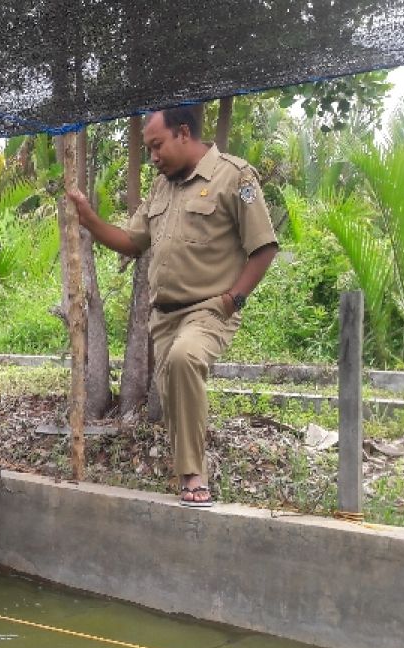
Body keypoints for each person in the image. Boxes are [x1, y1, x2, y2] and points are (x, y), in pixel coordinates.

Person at [68, 106, 279, 508]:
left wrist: (233, 299)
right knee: (175, 389)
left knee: (185, 360)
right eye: (147, 148)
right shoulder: (161, 188)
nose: (153, 156)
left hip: (209, 308)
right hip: (164, 317)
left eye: (157, 145)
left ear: (184, 133)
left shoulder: (234, 177)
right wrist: (90, 219)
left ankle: (193, 476)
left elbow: (264, 247)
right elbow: (132, 242)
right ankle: (187, 472)